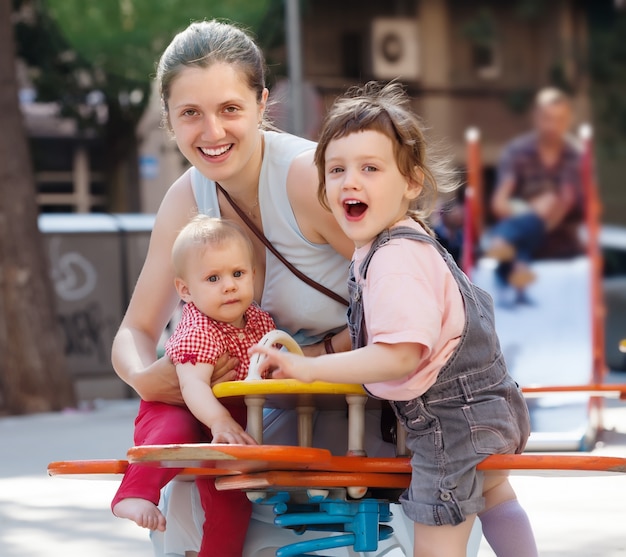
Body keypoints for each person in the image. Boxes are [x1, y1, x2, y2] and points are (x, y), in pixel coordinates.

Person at [111, 19, 414, 557]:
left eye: (229, 109)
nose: (212, 132)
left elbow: (419, 291)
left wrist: (316, 357)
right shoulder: (186, 198)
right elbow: (134, 329)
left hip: (367, 406)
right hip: (266, 410)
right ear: (169, 121)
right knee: (184, 498)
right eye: (190, 114)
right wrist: (147, 376)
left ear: (262, 103)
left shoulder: (306, 177)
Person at [250, 82, 538, 557]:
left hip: (451, 423)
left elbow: (400, 354)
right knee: (495, 496)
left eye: (370, 168)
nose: (350, 181)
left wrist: (309, 369)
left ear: (411, 183)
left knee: (436, 537)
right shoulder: (404, 242)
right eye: (336, 170)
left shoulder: (394, 258)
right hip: (487, 408)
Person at [112, 215, 275, 537]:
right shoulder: (198, 329)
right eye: (213, 278)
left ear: (253, 275)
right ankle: (133, 495)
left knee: (231, 501)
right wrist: (220, 421)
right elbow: (194, 384)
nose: (229, 285)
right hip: (177, 409)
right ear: (185, 290)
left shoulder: (258, 320)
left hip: (220, 421)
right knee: (176, 430)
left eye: (238, 274)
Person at [488, 87, 583, 302]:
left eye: (559, 119)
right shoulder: (517, 153)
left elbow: (567, 203)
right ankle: (513, 258)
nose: (553, 126)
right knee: (531, 225)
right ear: (536, 117)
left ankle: (503, 243)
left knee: (532, 224)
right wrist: (534, 212)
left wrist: (539, 219)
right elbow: (499, 203)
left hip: (559, 253)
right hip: (522, 237)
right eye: (547, 118)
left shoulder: (574, 156)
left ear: (568, 120)